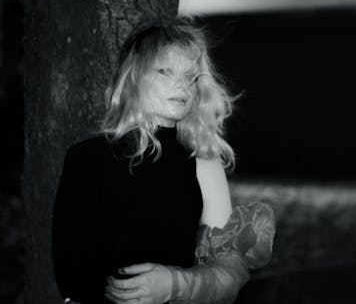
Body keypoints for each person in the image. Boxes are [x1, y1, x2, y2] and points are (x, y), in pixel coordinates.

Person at [52, 16, 276, 304]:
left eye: (190, 76)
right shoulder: (87, 158)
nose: (182, 85)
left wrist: (176, 284)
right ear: (133, 77)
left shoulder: (204, 163)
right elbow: (70, 276)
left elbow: (230, 274)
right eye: (165, 71)